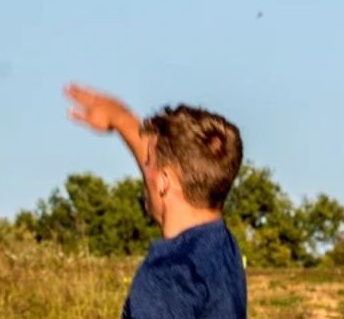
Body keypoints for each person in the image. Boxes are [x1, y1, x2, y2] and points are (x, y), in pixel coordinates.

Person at [65, 83, 247, 318]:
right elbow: (173, 167)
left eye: (148, 161)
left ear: (163, 181)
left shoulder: (168, 276)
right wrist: (120, 118)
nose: (144, 168)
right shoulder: (222, 247)